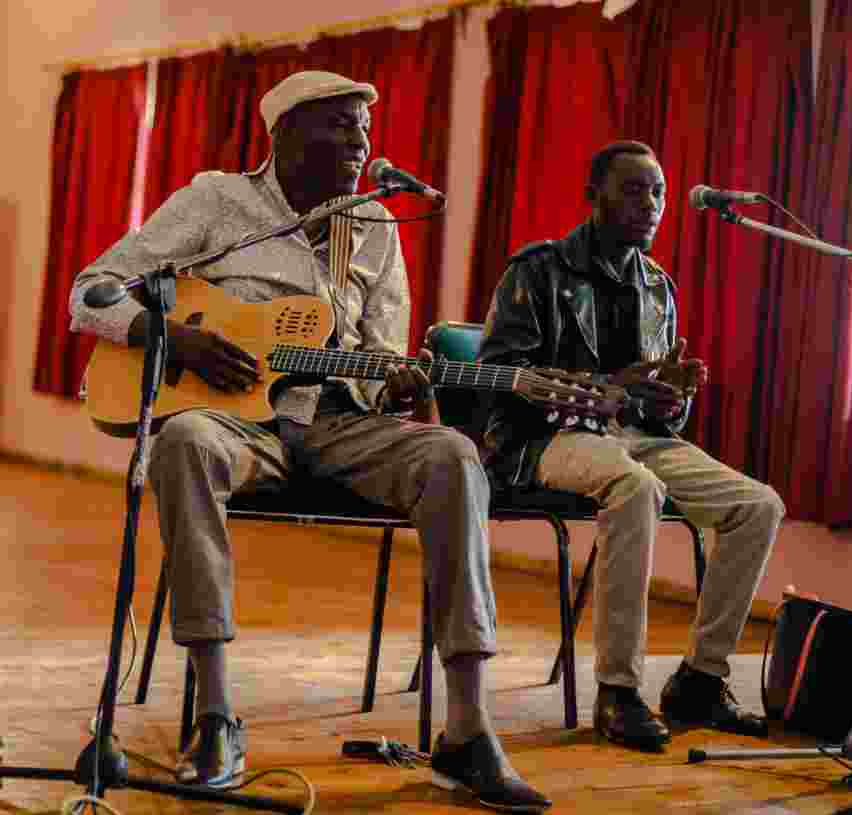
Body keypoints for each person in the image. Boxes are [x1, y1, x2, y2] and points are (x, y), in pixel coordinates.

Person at [70, 71, 550, 812]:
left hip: (343, 424)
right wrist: (173, 339)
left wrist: (400, 382)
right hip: (238, 424)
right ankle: (217, 715)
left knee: (453, 455)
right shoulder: (216, 202)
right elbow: (93, 288)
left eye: (364, 128)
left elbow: (385, 348)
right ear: (285, 132)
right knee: (182, 439)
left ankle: (467, 727)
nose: (360, 143)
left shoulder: (376, 227)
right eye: (340, 126)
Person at [477, 140, 786, 752]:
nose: (651, 204)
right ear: (593, 195)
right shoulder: (537, 270)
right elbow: (501, 378)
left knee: (759, 506)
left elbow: (654, 402)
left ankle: (700, 679)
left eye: (659, 193)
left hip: (637, 438)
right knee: (635, 486)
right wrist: (608, 387)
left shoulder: (657, 287)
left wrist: (671, 399)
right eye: (634, 189)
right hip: (545, 439)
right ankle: (618, 690)